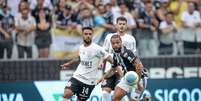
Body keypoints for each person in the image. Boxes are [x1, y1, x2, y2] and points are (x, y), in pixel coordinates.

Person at [60, 27, 113, 101]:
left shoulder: (98, 49)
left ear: (92, 35)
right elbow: (79, 58)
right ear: (82, 35)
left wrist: (113, 69)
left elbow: (110, 58)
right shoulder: (81, 47)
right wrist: (68, 64)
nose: (88, 35)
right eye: (86, 34)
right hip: (77, 77)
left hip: (89, 82)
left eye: (90, 34)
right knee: (67, 94)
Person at [99, 34, 148, 101]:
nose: (115, 45)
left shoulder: (127, 52)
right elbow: (113, 69)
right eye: (113, 43)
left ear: (121, 42)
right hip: (127, 78)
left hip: (140, 78)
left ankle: (144, 99)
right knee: (115, 98)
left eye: (117, 43)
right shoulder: (115, 55)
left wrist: (138, 82)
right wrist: (103, 77)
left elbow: (139, 66)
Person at [101, 16, 136, 101]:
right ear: (116, 25)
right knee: (105, 93)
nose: (122, 26)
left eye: (124, 24)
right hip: (110, 69)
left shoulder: (131, 39)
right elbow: (104, 51)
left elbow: (133, 56)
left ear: (126, 26)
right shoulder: (109, 37)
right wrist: (101, 61)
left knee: (120, 95)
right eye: (120, 24)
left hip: (123, 71)